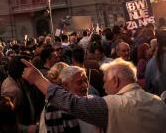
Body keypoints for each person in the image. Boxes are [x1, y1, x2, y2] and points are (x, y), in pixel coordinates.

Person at [22, 57, 166, 133]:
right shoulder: (158, 101)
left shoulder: (112, 105)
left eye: (105, 82)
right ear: (65, 85)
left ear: (115, 81)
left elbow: (72, 104)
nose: (103, 87)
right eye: (80, 82)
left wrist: (38, 80)